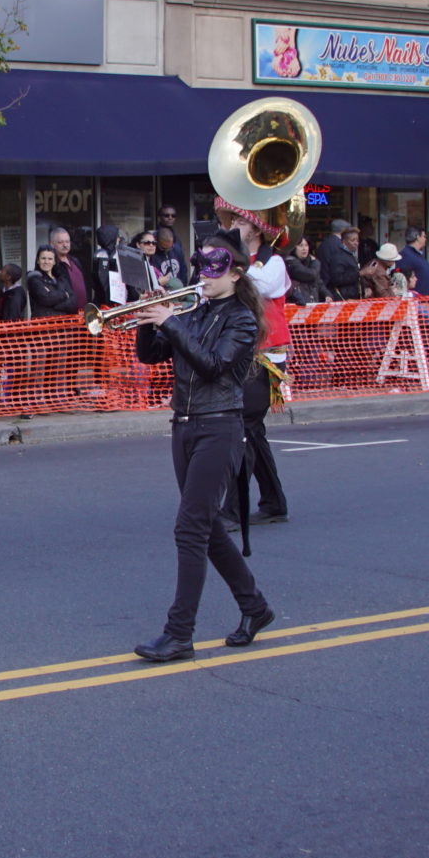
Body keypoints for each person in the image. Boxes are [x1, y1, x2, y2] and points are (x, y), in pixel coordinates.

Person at [129, 232, 277, 662]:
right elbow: (151, 356)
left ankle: (179, 633)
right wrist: (148, 318)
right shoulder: (194, 311)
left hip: (220, 426)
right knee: (207, 528)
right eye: (201, 267)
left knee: (190, 528)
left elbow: (212, 365)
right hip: (185, 424)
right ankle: (255, 607)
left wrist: (170, 321)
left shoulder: (242, 320)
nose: (204, 276)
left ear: (236, 274)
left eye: (215, 269)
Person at [214, 201, 292, 526]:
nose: (233, 226)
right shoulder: (235, 263)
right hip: (243, 354)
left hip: (265, 358)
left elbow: (258, 286)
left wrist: (225, 268)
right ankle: (274, 503)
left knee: (244, 430)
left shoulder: (274, 263)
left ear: (257, 229)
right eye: (231, 221)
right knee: (254, 431)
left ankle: (232, 511)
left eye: (240, 222)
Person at [26, 246, 79, 317]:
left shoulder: (61, 278)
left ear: (54, 262)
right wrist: (65, 295)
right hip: (42, 322)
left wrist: (56, 306)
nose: (46, 262)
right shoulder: (34, 279)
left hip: (62, 322)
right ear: (38, 261)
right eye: (43, 258)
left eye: (50, 259)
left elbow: (73, 301)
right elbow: (46, 299)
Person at [46, 226, 88, 306]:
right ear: (52, 244)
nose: (65, 245)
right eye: (60, 242)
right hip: (65, 311)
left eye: (67, 242)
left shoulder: (75, 261)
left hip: (83, 311)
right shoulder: (51, 265)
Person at [398, 228, 429, 297]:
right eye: (424, 236)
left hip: (424, 299)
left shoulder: (417, 254)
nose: (425, 239)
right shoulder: (405, 255)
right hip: (415, 300)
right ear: (417, 237)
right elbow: (401, 278)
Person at [285, 236, 323, 305]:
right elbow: (311, 275)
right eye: (300, 245)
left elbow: (319, 282)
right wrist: (316, 263)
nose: (304, 248)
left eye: (306, 245)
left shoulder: (309, 261)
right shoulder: (291, 262)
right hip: (298, 304)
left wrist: (327, 295)